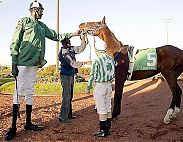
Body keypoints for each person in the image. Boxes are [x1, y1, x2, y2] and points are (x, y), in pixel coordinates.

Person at [4, 0, 80, 141]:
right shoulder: (24, 21)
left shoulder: (41, 26)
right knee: (18, 91)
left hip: (34, 63)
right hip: (22, 62)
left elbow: (55, 36)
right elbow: (15, 41)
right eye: (41, 10)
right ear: (34, 10)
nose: (42, 13)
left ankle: (28, 122)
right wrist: (14, 62)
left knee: (30, 91)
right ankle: (13, 127)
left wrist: (73, 34)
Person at [58, 33, 88, 123]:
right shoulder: (64, 51)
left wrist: (83, 39)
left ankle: (69, 114)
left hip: (70, 74)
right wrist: (84, 63)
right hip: (65, 75)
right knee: (66, 95)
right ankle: (63, 117)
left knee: (69, 95)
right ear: (64, 42)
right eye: (68, 40)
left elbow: (80, 49)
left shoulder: (69, 49)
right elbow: (72, 63)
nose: (69, 41)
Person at [86, 49, 115, 137]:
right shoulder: (111, 59)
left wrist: (89, 86)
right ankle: (108, 129)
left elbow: (92, 75)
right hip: (108, 85)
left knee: (101, 108)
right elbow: (114, 73)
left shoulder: (97, 60)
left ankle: (103, 130)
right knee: (108, 106)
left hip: (100, 86)